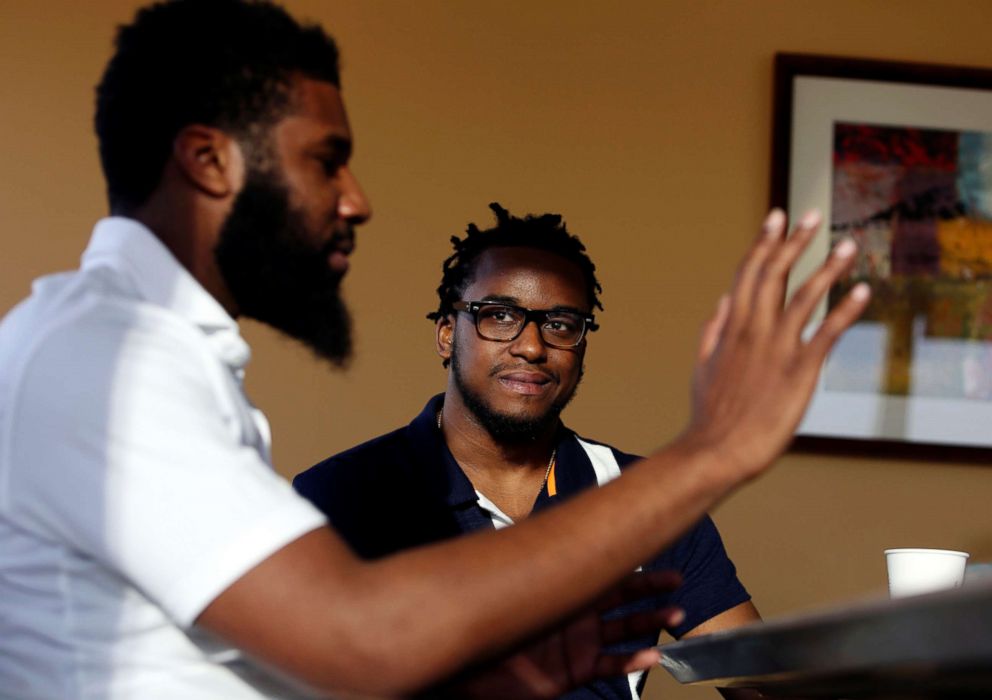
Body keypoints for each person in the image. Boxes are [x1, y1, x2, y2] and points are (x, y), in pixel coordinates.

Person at [0, 0, 870, 698]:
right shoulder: (108, 364)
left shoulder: (143, 359)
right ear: (210, 163)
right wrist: (711, 452)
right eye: (326, 161)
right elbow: (359, 641)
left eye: (561, 325)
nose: (357, 200)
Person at [294, 203, 760, 699]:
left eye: (560, 324)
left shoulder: (649, 500)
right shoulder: (340, 494)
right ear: (447, 334)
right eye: (499, 316)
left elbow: (756, 677)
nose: (532, 347)